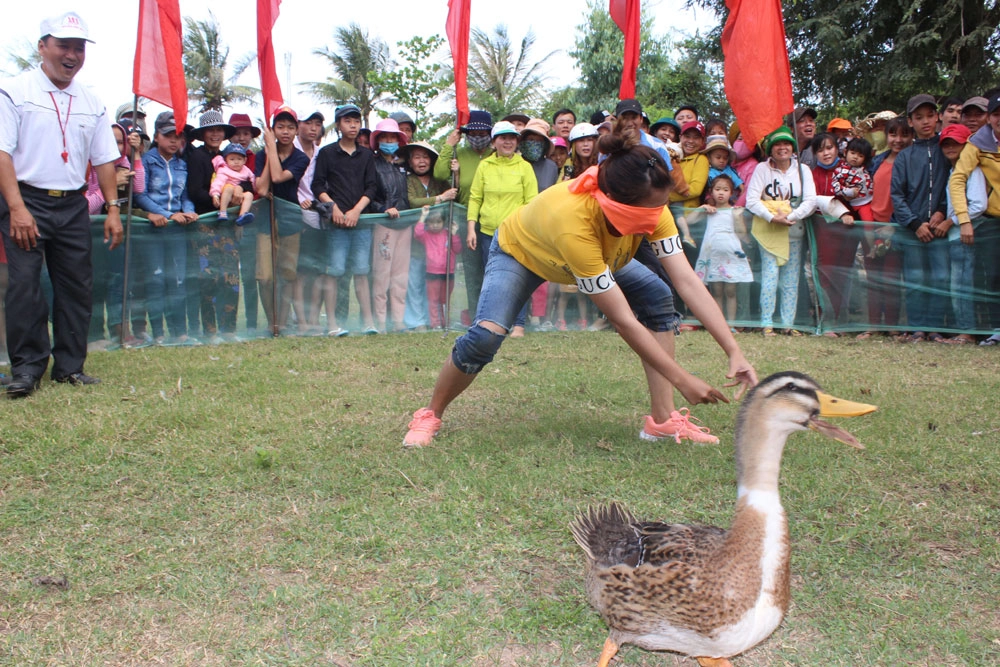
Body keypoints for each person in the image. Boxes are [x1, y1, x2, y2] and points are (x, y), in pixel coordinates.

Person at [401, 130, 758, 448]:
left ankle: (662, 423)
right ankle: (430, 413)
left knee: (658, 296)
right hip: (523, 255)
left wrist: (733, 350)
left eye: (660, 208)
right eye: (649, 212)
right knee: (485, 337)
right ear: (613, 201)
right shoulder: (574, 220)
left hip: (604, 256)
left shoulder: (650, 203)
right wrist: (682, 378)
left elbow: (687, 281)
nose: (657, 218)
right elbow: (622, 320)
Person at [0, 11, 124, 397]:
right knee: (24, 286)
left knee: (76, 286)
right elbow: (1, 153)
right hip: (27, 199)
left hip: (72, 205)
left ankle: (70, 367)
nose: (72, 55)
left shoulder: (92, 100)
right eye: (63, 46)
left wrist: (114, 208)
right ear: (43, 46)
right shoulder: (14, 91)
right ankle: (27, 368)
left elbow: (105, 159)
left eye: (79, 48)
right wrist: (17, 208)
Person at [133, 112, 200, 347]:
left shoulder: (182, 164)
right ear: (156, 136)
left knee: (178, 279)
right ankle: (159, 334)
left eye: (178, 137)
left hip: (177, 230)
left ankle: (179, 332)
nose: (174, 141)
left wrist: (189, 210)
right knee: (156, 280)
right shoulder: (146, 161)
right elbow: (139, 195)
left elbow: (185, 196)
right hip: (153, 230)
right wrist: (167, 214)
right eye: (168, 135)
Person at [466, 120, 538, 336]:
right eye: (503, 138)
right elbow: (475, 197)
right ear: (494, 142)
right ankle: (492, 322)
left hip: (517, 233)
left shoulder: (524, 167)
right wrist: (471, 228)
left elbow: (532, 201)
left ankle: (518, 324)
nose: (508, 142)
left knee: (517, 277)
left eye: (512, 138)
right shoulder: (485, 166)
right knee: (492, 278)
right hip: (487, 232)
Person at [311, 103, 377, 335]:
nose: (353, 125)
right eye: (347, 121)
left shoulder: (367, 155)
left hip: (361, 223)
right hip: (336, 224)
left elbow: (372, 187)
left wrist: (357, 211)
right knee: (334, 271)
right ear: (338, 125)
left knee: (361, 271)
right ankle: (332, 325)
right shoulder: (327, 153)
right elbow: (317, 185)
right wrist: (334, 208)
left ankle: (368, 323)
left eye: (356, 121)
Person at [746, 126, 818, 337]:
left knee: (791, 279)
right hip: (769, 232)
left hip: (794, 231)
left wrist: (792, 216)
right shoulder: (762, 169)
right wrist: (771, 217)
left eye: (786, 143)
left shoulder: (803, 170)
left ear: (793, 147)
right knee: (770, 276)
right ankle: (766, 322)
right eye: (777, 144)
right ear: (770, 149)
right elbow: (752, 200)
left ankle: (788, 323)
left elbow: (811, 200)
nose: (782, 148)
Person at [890, 94, 950, 343]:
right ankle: (917, 328)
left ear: (937, 118)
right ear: (911, 122)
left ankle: (935, 328)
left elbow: (954, 184)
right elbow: (897, 195)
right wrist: (915, 223)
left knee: (940, 278)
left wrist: (943, 212)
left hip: (941, 230)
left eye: (929, 116)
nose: (925, 121)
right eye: (919, 117)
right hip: (912, 231)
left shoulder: (947, 149)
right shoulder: (904, 156)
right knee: (914, 279)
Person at [86, 121, 145, 349]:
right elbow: (86, 206)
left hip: (117, 234)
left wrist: (136, 155)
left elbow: (139, 188)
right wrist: (109, 186)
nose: (115, 146)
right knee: (94, 284)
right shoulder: (90, 167)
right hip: (91, 235)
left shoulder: (124, 163)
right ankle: (93, 333)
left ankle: (119, 331)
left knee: (118, 282)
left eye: (119, 141)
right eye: (110, 141)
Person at [948, 92, 1000, 346]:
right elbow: (958, 179)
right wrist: (964, 220)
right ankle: (996, 331)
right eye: (996, 114)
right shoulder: (978, 143)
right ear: (990, 118)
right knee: (993, 278)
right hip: (993, 221)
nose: (999, 119)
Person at [255, 106, 310, 334]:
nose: (285, 132)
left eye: (290, 127)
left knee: (287, 275)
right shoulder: (261, 155)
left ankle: (283, 322)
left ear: (297, 130)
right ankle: (271, 321)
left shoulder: (300, 158)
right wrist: (269, 152)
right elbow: (261, 188)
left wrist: (271, 151)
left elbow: (278, 178)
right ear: (273, 130)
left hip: (290, 221)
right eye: (280, 127)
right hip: (264, 222)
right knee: (265, 277)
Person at [435, 110, 493, 323]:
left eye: (482, 132)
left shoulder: (495, 155)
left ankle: (495, 314)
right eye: (473, 132)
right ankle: (477, 314)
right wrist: (450, 145)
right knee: (472, 272)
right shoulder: (459, 154)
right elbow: (440, 174)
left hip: (493, 218)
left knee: (493, 269)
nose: (478, 136)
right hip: (466, 218)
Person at [185, 109, 238, 342]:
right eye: (211, 130)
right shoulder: (196, 157)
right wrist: (217, 200)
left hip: (227, 226)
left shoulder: (228, 157)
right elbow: (194, 192)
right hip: (205, 225)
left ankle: (230, 329)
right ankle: (211, 330)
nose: (215, 134)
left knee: (231, 277)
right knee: (208, 279)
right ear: (203, 133)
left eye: (219, 130)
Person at [856, 116, 911, 339]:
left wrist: (896, 227)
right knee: (872, 279)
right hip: (871, 227)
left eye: (904, 134)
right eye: (893, 134)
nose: (898, 140)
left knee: (891, 280)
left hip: (896, 228)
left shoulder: (912, 161)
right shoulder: (876, 162)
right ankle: (872, 326)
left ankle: (892, 326)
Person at [401, 141, 457, 332]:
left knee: (437, 289)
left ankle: (437, 321)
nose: (422, 161)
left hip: (439, 247)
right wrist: (439, 198)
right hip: (417, 240)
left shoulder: (438, 180)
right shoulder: (408, 181)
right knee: (415, 282)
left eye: (425, 157)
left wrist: (455, 172)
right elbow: (412, 201)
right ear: (410, 161)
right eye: (417, 157)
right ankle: (417, 322)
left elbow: (454, 193)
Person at [938, 124, 985, 344]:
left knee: (962, 285)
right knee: (955, 285)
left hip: (965, 235)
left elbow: (978, 205)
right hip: (954, 237)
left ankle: (967, 332)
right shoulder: (951, 170)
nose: (950, 147)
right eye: (946, 143)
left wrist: (952, 221)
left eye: (955, 143)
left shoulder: (972, 170)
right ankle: (962, 331)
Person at [811, 133, 863, 328]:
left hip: (848, 230)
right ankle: (827, 318)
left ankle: (841, 318)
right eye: (821, 149)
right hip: (823, 230)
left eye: (830, 148)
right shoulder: (811, 174)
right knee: (826, 271)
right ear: (815, 153)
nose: (826, 153)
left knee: (844, 271)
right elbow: (811, 199)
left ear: (837, 149)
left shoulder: (849, 171)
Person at [369, 118, 411, 333]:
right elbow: (367, 193)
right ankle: (380, 321)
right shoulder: (372, 164)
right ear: (377, 140)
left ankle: (398, 321)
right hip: (384, 225)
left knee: (400, 275)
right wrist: (382, 209)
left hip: (405, 225)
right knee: (381, 274)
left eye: (392, 137)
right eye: (384, 137)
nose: (388, 141)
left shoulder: (403, 166)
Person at [692, 175, 753, 323]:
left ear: (731, 193)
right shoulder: (709, 211)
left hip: (731, 256)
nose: (721, 193)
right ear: (711, 192)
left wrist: (738, 218)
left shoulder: (735, 211)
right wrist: (701, 209)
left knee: (730, 292)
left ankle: (731, 324)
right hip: (712, 257)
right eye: (717, 189)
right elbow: (690, 221)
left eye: (725, 190)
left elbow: (742, 234)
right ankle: (719, 324)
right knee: (716, 291)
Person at [413, 206, 462, 330]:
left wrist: (454, 234)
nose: (435, 225)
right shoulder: (426, 235)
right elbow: (417, 233)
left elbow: (457, 249)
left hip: (448, 272)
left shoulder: (448, 234)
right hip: (432, 272)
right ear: (427, 223)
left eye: (438, 222)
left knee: (445, 300)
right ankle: (436, 324)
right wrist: (423, 217)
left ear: (443, 222)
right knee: (433, 300)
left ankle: (446, 323)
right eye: (432, 222)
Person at [210, 143, 256, 226]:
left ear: (244, 160)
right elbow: (218, 182)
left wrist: (256, 187)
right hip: (225, 194)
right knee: (229, 188)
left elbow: (253, 179)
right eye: (232, 159)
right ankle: (222, 212)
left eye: (239, 159)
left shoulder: (246, 170)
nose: (236, 162)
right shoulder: (223, 170)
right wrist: (215, 194)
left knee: (249, 195)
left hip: (238, 195)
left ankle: (242, 215)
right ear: (226, 160)